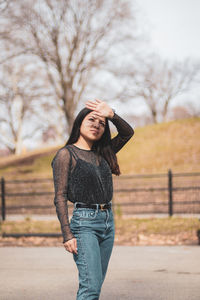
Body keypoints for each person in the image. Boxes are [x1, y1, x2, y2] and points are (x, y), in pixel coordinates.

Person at [51, 99, 134, 300]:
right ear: (79, 122)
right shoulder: (66, 154)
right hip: (84, 224)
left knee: (94, 285)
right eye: (91, 120)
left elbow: (127, 133)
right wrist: (67, 234)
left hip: (108, 222)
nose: (96, 125)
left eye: (101, 123)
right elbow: (60, 197)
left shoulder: (105, 152)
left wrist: (111, 114)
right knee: (91, 288)